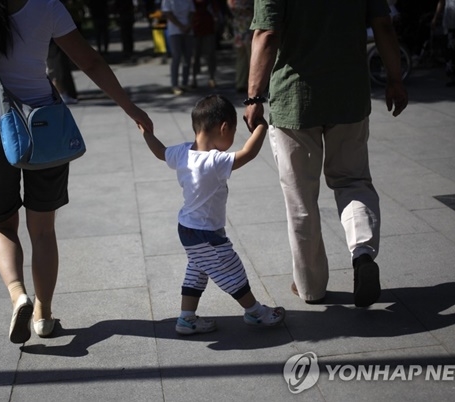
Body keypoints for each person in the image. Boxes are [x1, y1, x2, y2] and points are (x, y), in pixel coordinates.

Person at [0, 0, 153, 344]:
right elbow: (90, 61)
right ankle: (43, 314)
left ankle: (18, 294)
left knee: (1, 223)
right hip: (45, 128)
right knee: (43, 229)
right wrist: (131, 108)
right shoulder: (46, 6)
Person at [244, 1, 408, 307]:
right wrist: (395, 79)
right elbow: (384, 25)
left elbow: (266, 34)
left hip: (295, 100)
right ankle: (362, 254)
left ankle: (310, 288)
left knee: (300, 198)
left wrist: (254, 95)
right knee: (353, 182)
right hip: (349, 96)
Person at [139, 95, 285, 335]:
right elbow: (247, 153)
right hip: (206, 233)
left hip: (187, 228)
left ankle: (186, 319)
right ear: (224, 127)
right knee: (232, 269)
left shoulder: (182, 152)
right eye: (233, 131)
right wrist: (261, 126)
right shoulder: (215, 160)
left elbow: (159, 151)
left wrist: (146, 133)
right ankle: (256, 312)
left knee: (197, 270)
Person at [162, 0, 195, 95]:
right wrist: (180, 26)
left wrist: (188, 25)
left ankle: (185, 83)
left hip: (188, 30)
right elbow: (168, 13)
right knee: (176, 56)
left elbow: (192, 12)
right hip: (175, 30)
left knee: (187, 57)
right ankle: (174, 85)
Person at [227, 0, 254, 93]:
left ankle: (247, 83)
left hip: (246, 27)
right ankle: (242, 83)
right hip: (243, 28)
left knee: (249, 57)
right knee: (245, 57)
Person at [191, 0, 219, 89]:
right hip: (195, 28)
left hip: (209, 27)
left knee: (210, 54)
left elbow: (216, 10)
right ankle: (193, 78)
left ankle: (211, 78)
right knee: (195, 56)